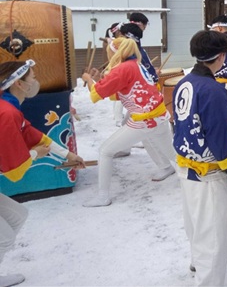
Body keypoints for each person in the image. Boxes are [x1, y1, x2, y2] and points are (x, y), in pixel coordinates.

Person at [172, 30, 227, 286]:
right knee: (213, 238)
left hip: (186, 167)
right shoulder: (213, 91)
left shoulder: (184, 82)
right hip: (207, 173)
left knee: (197, 225)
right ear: (220, 57)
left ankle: (197, 262)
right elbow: (221, 138)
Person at [0, 60, 84, 287]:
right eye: (33, 77)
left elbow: (35, 135)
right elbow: (15, 171)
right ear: (19, 83)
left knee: (17, 216)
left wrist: (68, 155)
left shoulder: (9, 107)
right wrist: (36, 154)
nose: (36, 81)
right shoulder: (6, 113)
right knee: (4, 238)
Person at [81, 37, 176, 207]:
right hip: (159, 115)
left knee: (105, 151)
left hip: (144, 119)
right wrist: (99, 79)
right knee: (173, 155)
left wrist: (88, 79)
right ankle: (190, 176)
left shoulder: (123, 68)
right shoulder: (135, 64)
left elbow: (96, 94)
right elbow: (116, 90)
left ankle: (103, 196)